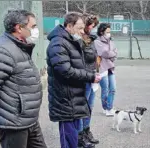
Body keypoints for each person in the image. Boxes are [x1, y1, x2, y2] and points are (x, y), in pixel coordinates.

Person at [0, 10, 47, 148]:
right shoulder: (2, 50)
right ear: (19, 28)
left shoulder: (19, 46)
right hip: (12, 122)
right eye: (33, 26)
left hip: (27, 119)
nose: (36, 30)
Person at [46, 12, 101, 148]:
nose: (82, 32)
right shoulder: (58, 43)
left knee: (73, 138)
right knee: (68, 138)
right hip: (65, 99)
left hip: (74, 97)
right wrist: (90, 76)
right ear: (69, 26)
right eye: (80, 28)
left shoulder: (71, 41)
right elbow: (65, 70)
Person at [78, 14, 100, 146]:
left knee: (89, 107)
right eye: (90, 25)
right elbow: (80, 60)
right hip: (84, 78)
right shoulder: (79, 40)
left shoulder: (91, 40)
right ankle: (80, 135)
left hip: (92, 78)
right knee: (82, 108)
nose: (92, 27)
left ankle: (86, 131)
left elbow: (94, 58)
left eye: (93, 25)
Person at [94, 23, 118, 117]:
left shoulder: (111, 41)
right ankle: (107, 108)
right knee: (105, 89)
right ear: (101, 32)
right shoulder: (97, 42)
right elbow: (104, 53)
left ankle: (108, 107)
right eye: (107, 32)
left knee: (113, 89)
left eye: (109, 32)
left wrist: (111, 54)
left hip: (110, 68)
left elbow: (115, 52)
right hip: (102, 69)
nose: (109, 33)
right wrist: (112, 53)